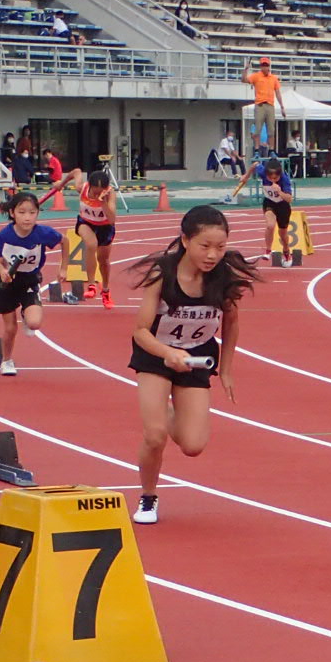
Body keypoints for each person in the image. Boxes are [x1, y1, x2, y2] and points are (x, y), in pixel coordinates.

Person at [127, 207, 258, 525]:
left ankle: (169, 412)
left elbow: (232, 321)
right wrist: (167, 353)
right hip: (156, 356)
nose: (213, 254)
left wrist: (226, 369)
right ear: (185, 240)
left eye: (220, 247)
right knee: (155, 436)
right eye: (205, 246)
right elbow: (140, 331)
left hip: (198, 357)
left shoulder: (223, 277)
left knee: (193, 445)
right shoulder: (163, 274)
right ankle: (148, 497)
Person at [0, 191, 62, 377]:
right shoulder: (6, 234)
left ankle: (26, 311)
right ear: (13, 213)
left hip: (29, 280)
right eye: (22, 212)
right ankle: (7, 360)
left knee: (34, 323)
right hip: (8, 282)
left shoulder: (43, 233)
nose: (27, 217)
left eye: (32, 212)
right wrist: (3, 272)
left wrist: (64, 267)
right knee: (10, 328)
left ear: (38, 213)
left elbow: (66, 241)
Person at [51, 165, 117, 307]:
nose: (97, 194)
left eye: (101, 191)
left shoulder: (110, 194)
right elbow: (76, 171)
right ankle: (91, 284)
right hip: (86, 223)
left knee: (103, 261)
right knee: (91, 244)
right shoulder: (82, 188)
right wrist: (60, 184)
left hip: (105, 227)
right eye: (95, 191)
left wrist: (103, 203)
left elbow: (112, 220)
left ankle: (105, 290)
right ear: (90, 186)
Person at [254, 155, 295, 262]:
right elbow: (255, 165)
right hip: (269, 202)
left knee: (283, 233)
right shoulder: (263, 172)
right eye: (270, 178)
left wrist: (279, 192)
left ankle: (286, 251)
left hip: (282, 205)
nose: (273, 180)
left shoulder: (284, 180)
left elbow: (289, 199)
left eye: (275, 178)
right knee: (270, 225)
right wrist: (245, 176)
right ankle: (268, 251)